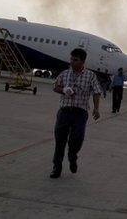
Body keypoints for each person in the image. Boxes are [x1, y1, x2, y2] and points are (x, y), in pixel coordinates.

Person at [50, 48, 101, 179]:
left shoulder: (90, 76)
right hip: (64, 111)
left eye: (75, 60)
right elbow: (55, 87)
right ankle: (57, 167)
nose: (72, 62)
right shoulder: (65, 74)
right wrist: (63, 90)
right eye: (71, 59)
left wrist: (96, 108)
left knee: (76, 139)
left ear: (82, 61)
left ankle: (72, 156)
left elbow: (96, 92)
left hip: (80, 113)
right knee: (60, 140)